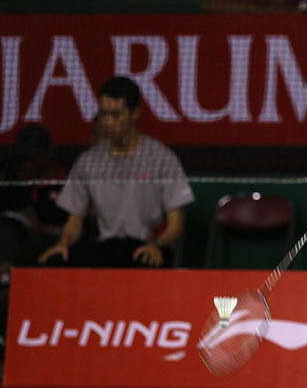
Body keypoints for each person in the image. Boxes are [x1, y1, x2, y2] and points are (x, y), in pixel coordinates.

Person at [38, 76, 194, 268]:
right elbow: (74, 221)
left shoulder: (161, 158)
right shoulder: (88, 161)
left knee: (146, 261)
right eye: (104, 114)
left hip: (145, 246)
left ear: (135, 113)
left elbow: (176, 224)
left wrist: (157, 245)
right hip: (105, 248)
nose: (108, 122)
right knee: (54, 261)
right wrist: (63, 242)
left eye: (116, 115)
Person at [0, 124, 67, 358]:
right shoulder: (15, 180)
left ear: (49, 153)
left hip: (52, 245)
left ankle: (1, 329)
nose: (29, 165)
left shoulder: (67, 181)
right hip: (15, 247)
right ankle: (6, 281)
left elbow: (78, 227)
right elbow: (0, 213)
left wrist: (45, 229)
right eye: (25, 159)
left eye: (34, 158)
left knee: (19, 259)